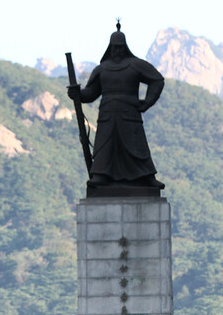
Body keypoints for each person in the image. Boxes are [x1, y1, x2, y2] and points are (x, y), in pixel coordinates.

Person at [67, 21, 165, 190]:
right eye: (115, 47)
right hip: (107, 114)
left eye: (120, 47)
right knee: (105, 145)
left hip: (130, 113)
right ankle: (101, 175)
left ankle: (146, 176)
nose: (117, 50)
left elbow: (157, 80)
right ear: (110, 47)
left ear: (125, 47)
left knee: (136, 146)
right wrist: (78, 94)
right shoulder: (102, 69)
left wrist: (147, 102)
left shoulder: (135, 65)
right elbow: (91, 92)